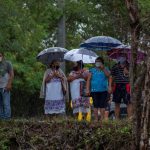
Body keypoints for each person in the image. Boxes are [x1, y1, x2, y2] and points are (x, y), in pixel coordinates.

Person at [86, 57, 111, 124]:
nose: (97, 63)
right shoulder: (92, 70)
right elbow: (88, 80)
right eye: (96, 61)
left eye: (99, 61)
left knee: (102, 105)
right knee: (95, 105)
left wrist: (103, 68)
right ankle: (96, 119)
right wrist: (87, 89)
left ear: (102, 63)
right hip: (94, 90)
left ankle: (102, 119)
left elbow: (108, 75)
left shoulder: (106, 69)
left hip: (103, 90)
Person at [0, 52, 14, 119]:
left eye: (0, 55)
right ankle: (1, 119)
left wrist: (9, 84)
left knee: (6, 103)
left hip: (5, 87)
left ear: (2, 56)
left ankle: (7, 119)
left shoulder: (7, 63)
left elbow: (12, 75)